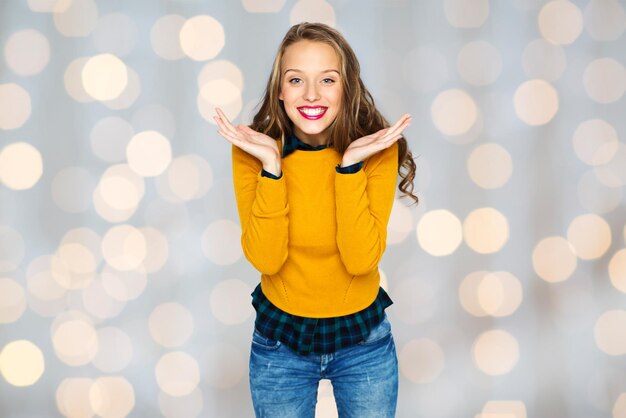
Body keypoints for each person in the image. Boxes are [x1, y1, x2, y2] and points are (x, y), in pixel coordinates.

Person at [214, 21, 418, 418]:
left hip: (364, 342)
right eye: (296, 80)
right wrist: (272, 169)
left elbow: (360, 260)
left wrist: (349, 169)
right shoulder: (253, 151)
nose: (311, 94)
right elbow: (266, 260)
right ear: (280, 90)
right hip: (280, 343)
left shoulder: (374, 150)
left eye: (327, 79)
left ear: (347, 87)